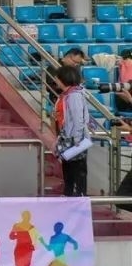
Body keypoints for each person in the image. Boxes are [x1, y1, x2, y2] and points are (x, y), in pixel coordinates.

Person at [53, 64, 90, 197]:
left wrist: (77, 140)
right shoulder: (66, 95)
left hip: (74, 138)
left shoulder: (74, 95)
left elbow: (78, 119)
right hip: (67, 136)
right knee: (68, 169)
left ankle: (78, 196)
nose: (55, 80)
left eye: (57, 78)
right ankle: (69, 195)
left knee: (76, 170)